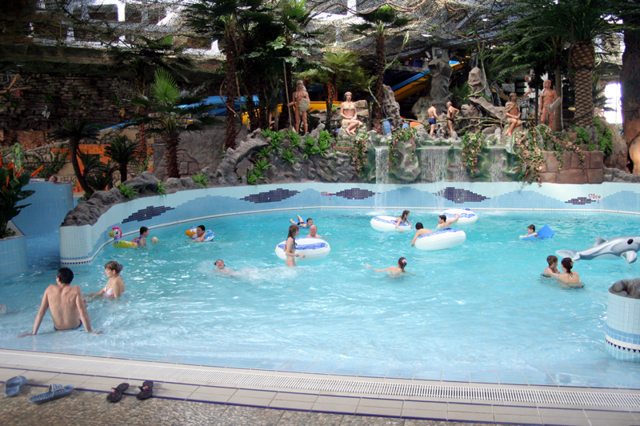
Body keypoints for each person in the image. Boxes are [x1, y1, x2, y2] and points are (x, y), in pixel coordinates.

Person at [18, 268, 101, 336]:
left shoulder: (49, 289)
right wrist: (90, 330)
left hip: (58, 328)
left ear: (58, 279)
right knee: (82, 306)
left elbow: (41, 312)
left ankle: (83, 304)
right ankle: (84, 304)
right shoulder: (75, 289)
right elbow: (83, 313)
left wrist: (33, 332)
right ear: (71, 279)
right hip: (75, 326)